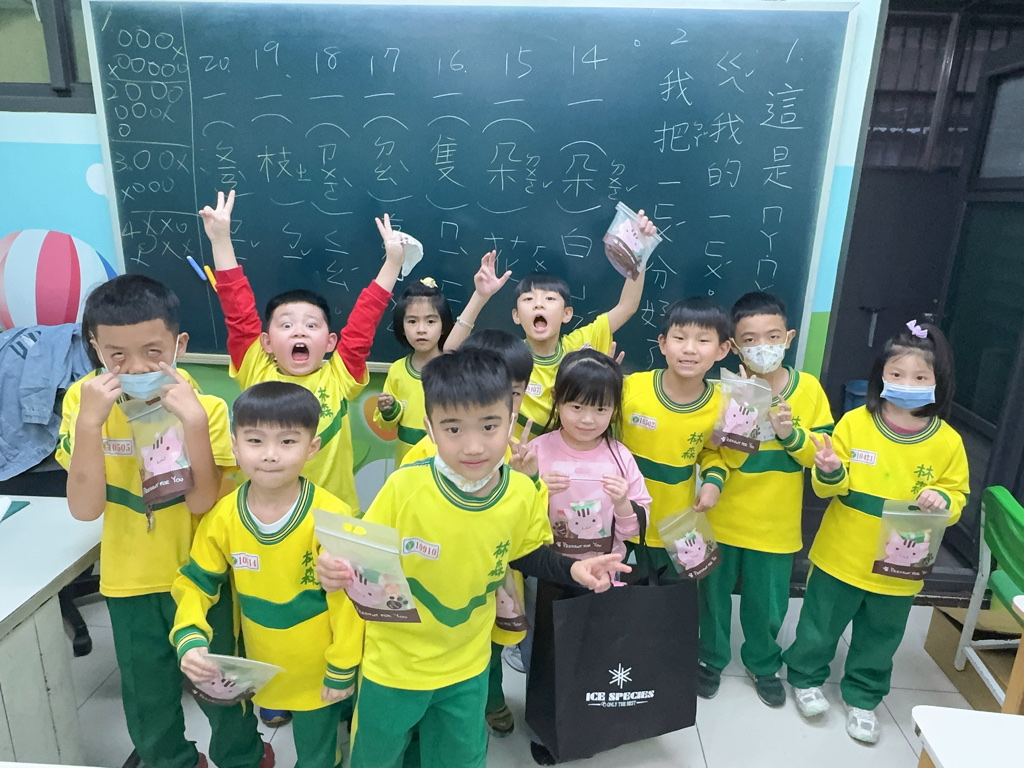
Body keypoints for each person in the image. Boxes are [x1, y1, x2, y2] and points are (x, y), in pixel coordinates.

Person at [316, 348, 630, 768]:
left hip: (467, 664)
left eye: (489, 425)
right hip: (395, 665)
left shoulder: (521, 492)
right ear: (429, 428)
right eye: (453, 429)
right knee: (377, 756)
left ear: (511, 419)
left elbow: (526, 552)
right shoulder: (404, 487)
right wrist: (333, 568)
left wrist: (573, 568)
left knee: (460, 757)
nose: (474, 445)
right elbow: (360, 557)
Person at [200, 190, 403, 726]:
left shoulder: (342, 373)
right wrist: (220, 239)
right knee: (269, 609)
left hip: (329, 521)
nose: (298, 332)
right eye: (286, 324)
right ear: (267, 342)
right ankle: (276, 688)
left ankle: (341, 682)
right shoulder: (254, 367)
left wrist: (392, 264)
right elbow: (237, 308)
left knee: (339, 608)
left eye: (311, 326)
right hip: (265, 519)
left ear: (329, 342)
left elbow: (365, 321)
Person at [57, 275, 271, 768]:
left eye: (152, 352)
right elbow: (85, 508)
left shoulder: (207, 408)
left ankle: (242, 755)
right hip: (128, 580)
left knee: (222, 686)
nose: (135, 368)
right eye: (116, 355)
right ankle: (172, 761)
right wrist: (89, 423)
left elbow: (201, 502)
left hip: (202, 579)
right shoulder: (83, 403)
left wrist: (192, 422)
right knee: (147, 696)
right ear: (94, 348)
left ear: (180, 345)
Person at [783, 319, 969, 744]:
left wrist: (943, 498)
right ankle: (806, 677)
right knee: (819, 623)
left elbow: (957, 497)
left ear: (939, 382)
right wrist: (830, 469)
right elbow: (827, 487)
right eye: (896, 374)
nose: (907, 384)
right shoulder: (855, 423)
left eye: (920, 377)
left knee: (881, 636)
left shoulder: (948, 442)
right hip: (841, 555)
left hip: (900, 565)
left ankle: (864, 696)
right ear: (879, 376)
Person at [172, 382, 362, 768]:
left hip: (318, 667)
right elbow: (196, 583)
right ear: (235, 445)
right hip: (259, 663)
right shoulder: (224, 516)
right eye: (255, 440)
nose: (270, 454)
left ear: (312, 447)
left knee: (317, 753)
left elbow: (350, 601)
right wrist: (189, 637)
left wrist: (342, 666)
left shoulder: (332, 517)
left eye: (288, 441)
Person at [698, 292, 835, 707]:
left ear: (789, 337)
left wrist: (791, 435)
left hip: (776, 524)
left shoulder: (809, 389)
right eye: (750, 340)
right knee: (713, 596)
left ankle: (763, 663)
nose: (763, 347)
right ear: (734, 346)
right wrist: (743, 413)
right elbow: (722, 456)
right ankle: (710, 658)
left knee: (768, 602)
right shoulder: (725, 391)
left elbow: (820, 456)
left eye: (773, 337)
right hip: (723, 517)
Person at [528, 348, 652, 764]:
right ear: (557, 400)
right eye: (576, 406)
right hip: (553, 572)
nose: (587, 419)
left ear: (614, 409)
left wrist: (622, 504)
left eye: (600, 409)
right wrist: (536, 488)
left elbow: (637, 527)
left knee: (596, 651)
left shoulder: (620, 456)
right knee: (549, 653)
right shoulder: (539, 450)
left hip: (605, 573)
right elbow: (515, 518)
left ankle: (592, 722)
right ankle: (548, 730)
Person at [443, 209, 655, 440]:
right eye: (528, 299)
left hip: (565, 453)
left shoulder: (580, 345)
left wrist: (640, 251)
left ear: (567, 314)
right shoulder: (507, 354)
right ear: (516, 316)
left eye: (550, 299)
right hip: (512, 453)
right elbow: (451, 352)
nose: (539, 304)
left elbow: (627, 306)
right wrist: (480, 296)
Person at [619, 297, 732, 568]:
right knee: (604, 588)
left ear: (722, 349)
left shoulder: (724, 404)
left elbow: (713, 452)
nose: (689, 349)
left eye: (703, 340)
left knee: (676, 590)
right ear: (663, 343)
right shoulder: (631, 388)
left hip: (678, 522)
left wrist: (713, 482)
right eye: (679, 338)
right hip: (619, 515)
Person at [373, 278, 453, 464]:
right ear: (402, 327)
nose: (421, 330)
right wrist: (389, 409)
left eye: (430, 321)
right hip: (407, 460)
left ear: (444, 326)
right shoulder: (397, 370)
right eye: (412, 321)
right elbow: (386, 425)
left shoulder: (453, 369)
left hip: (445, 460)